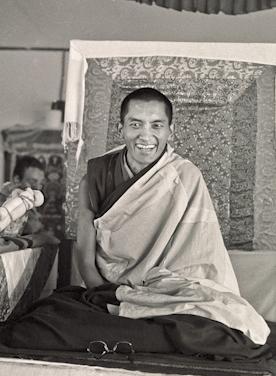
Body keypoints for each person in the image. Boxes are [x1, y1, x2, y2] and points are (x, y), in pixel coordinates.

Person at [0, 88, 271, 361]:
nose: (145, 136)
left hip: (173, 295)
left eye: (156, 125)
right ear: (121, 129)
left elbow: (200, 258)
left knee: (215, 329)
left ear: (170, 130)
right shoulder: (96, 177)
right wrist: (112, 297)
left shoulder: (185, 176)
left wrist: (146, 301)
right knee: (38, 327)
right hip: (108, 292)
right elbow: (85, 258)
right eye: (135, 124)